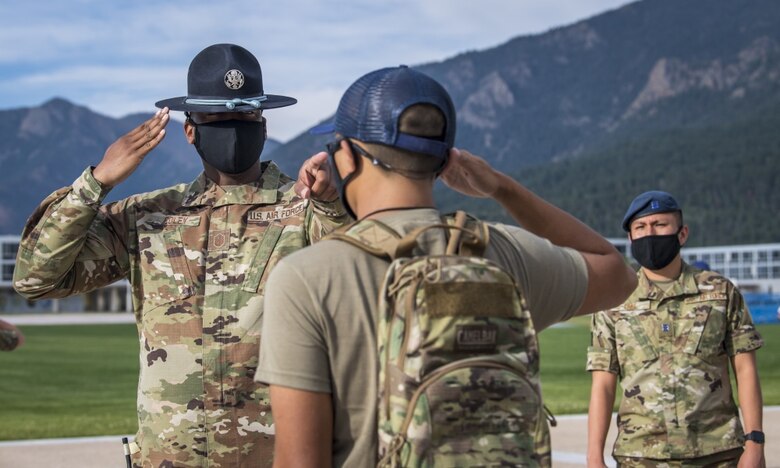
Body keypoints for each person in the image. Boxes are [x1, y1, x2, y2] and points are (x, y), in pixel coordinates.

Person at [255, 65, 637, 467]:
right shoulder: (504, 253)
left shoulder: (308, 278)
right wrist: (501, 188)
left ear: (346, 157)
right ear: (444, 162)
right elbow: (616, 272)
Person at [12, 43, 349, 467]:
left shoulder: (304, 211)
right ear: (191, 130)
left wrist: (332, 203)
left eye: (243, 116)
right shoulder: (147, 217)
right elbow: (35, 277)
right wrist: (95, 183)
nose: (232, 127)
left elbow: (358, 276)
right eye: (217, 119)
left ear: (262, 126)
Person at [586, 191, 765, 468]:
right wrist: (594, 456)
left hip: (717, 453)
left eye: (660, 225)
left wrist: (754, 442)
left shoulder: (720, 292)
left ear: (682, 234)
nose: (650, 234)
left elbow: (745, 369)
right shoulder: (613, 300)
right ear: (631, 238)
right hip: (641, 455)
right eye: (641, 228)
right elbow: (603, 384)